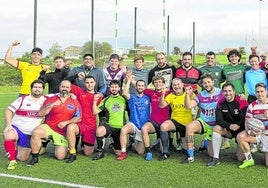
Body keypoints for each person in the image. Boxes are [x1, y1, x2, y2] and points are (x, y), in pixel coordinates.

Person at [26, 80, 82, 166]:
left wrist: (66, 122)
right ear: (59, 87)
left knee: (60, 156)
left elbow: (78, 118)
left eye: (67, 87)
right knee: (36, 132)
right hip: (49, 127)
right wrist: (51, 105)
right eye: (63, 86)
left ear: (70, 89)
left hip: (62, 131)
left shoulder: (74, 101)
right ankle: (34, 157)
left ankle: (66, 149)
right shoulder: (51, 99)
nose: (64, 89)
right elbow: (41, 113)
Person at [3, 80, 47, 170]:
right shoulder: (23, 99)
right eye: (35, 87)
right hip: (17, 128)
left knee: (22, 158)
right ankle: (12, 161)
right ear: (31, 89)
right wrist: (8, 125)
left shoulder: (46, 100)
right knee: (8, 134)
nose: (37, 89)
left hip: (29, 133)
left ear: (43, 90)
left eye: (39, 87)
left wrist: (72, 95)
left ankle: (13, 148)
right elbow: (8, 110)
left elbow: (60, 94)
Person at [182, 74, 223, 164]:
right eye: (204, 83)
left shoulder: (221, 93)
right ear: (202, 85)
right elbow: (188, 106)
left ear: (213, 82)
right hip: (204, 122)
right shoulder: (200, 95)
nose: (207, 84)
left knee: (212, 154)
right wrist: (187, 95)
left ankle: (206, 142)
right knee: (189, 127)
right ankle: (190, 155)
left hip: (216, 125)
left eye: (208, 82)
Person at [206, 83, 248, 167]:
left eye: (230, 91)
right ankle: (216, 158)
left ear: (234, 91)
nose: (228, 93)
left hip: (240, 131)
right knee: (217, 128)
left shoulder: (241, 101)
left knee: (241, 158)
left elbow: (244, 119)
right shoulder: (220, 103)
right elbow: (219, 120)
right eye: (225, 91)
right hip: (228, 130)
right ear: (222, 92)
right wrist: (230, 126)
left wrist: (237, 125)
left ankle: (242, 144)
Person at [65, 76, 103, 163]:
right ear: (84, 83)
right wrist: (77, 76)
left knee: (88, 153)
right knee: (71, 127)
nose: (89, 84)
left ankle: (83, 142)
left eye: (91, 82)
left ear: (95, 83)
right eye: (87, 82)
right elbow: (66, 82)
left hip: (90, 125)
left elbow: (97, 112)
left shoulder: (99, 97)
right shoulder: (79, 92)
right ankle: (72, 153)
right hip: (79, 123)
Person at [158, 78, 195, 161]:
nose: (176, 86)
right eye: (174, 85)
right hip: (175, 121)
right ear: (172, 86)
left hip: (187, 124)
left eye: (178, 84)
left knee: (186, 150)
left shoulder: (189, 94)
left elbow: (197, 105)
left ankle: (189, 150)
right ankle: (165, 152)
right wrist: (163, 94)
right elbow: (161, 105)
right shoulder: (171, 96)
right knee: (163, 126)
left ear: (182, 85)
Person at [117, 71, 150, 160]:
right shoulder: (132, 97)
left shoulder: (148, 97)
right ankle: (123, 152)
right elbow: (124, 93)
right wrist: (128, 81)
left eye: (142, 86)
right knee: (124, 130)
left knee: (140, 152)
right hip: (133, 124)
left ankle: (133, 143)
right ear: (135, 87)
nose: (140, 87)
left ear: (145, 87)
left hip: (143, 126)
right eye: (138, 85)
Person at [199, 51, 229, 150]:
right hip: (205, 99)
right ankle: (207, 139)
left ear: (214, 59)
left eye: (212, 58)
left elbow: (224, 79)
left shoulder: (219, 70)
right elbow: (199, 81)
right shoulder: (202, 69)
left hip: (217, 98)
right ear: (206, 59)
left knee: (220, 117)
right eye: (208, 58)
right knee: (206, 117)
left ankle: (226, 140)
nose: (210, 60)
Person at [92, 80, 126, 160]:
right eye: (112, 87)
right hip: (110, 127)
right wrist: (94, 101)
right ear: (109, 88)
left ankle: (113, 145)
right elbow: (95, 112)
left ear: (119, 88)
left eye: (116, 87)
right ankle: (100, 152)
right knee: (99, 131)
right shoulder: (106, 100)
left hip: (121, 129)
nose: (114, 89)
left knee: (119, 153)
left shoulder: (123, 99)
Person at [237, 82, 268, 168]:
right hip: (256, 134)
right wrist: (250, 131)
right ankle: (249, 159)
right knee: (241, 136)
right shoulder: (252, 106)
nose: (260, 94)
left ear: (266, 92)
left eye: (262, 91)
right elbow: (247, 121)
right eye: (257, 92)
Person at [142, 76, 170, 161]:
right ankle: (148, 152)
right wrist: (130, 79)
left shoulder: (169, 93)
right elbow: (140, 87)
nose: (158, 84)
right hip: (153, 122)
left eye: (160, 82)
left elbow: (180, 90)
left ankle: (163, 147)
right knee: (144, 128)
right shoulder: (151, 93)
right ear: (153, 84)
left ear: (163, 83)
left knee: (163, 150)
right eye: (156, 82)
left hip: (164, 123)